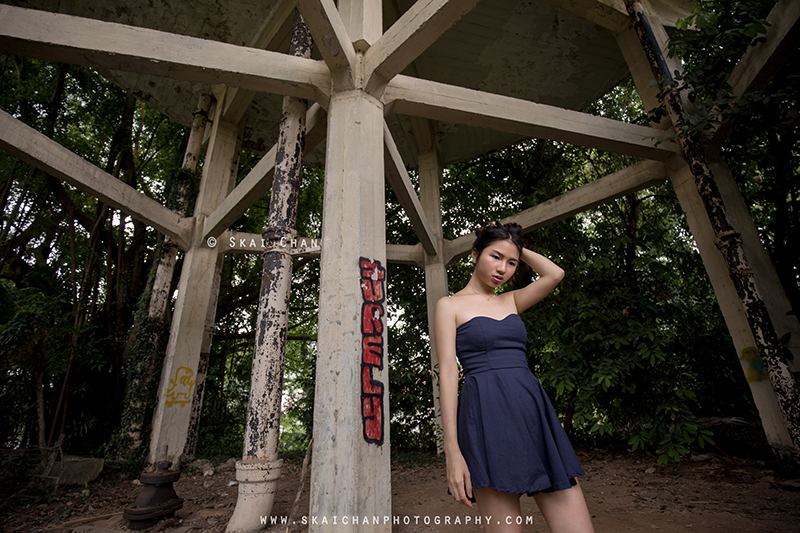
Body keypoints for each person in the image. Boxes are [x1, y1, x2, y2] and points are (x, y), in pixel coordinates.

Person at [435, 221, 594, 533]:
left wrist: (514, 246)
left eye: (511, 262)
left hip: (532, 413)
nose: (503, 268)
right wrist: (452, 451)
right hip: (485, 418)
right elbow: (448, 372)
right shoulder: (449, 305)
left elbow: (555, 274)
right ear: (475, 253)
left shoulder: (512, 300)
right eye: (495, 257)